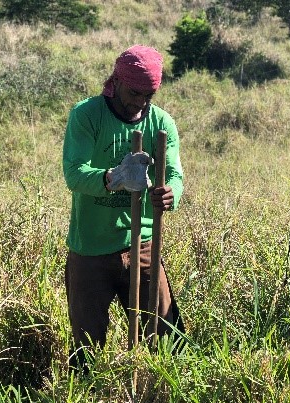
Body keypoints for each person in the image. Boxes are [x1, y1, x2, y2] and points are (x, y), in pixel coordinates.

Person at [63, 45, 184, 371]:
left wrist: (172, 193)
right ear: (116, 81)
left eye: (149, 95)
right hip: (90, 248)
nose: (141, 102)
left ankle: (154, 401)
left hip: (143, 244)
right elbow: (74, 174)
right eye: (134, 93)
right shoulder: (87, 115)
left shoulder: (161, 123)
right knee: (86, 345)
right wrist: (113, 177)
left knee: (161, 335)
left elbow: (174, 173)